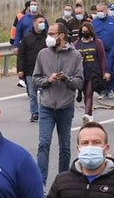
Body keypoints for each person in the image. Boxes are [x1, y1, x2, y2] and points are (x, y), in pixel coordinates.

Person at [32, 23, 83, 183]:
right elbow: (35, 79)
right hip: (46, 107)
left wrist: (66, 79)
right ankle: (41, 183)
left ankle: (63, 182)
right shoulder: (43, 54)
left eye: (52, 34)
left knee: (65, 146)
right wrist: (48, 80)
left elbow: (79, 82)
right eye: (48, 33)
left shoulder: (75, 55)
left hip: (65, 108)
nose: (49, 37)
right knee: (43, 144)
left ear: (61, 35)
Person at [73, 20, 109, 123]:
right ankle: (89, 114)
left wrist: (104, 72)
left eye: (87, 31)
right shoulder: (77, 44)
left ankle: (86, 114)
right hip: (81, 73)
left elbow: (102, 59)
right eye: (83, 31)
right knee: (85, 93)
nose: (85, 33)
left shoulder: (97, 43)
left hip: (93, 73)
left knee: (89, 93)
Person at [16, 14, 48, 122]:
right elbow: (21, 55)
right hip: (30, 70)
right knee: (32, 94)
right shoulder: (27, 38)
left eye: (43, 22)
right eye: (40, 22)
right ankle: (34, 113)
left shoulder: (48, 38)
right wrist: (20, 70)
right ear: (34, 24)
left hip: (45, 70)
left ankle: (45, 112)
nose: (42, 24)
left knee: (45, 93)